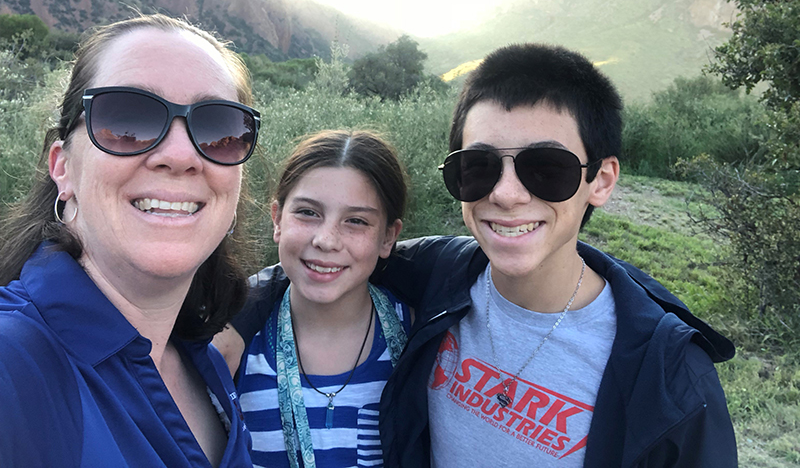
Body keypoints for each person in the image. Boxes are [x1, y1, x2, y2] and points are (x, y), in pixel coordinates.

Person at [373, 43, 738, 467]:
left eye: (546, 169)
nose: (506, 194)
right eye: (478, 166)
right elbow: (336, 261)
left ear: (600, 181)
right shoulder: (439, 273)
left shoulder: (671, 379)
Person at [0, 14, 261, 467]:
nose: (180, 156)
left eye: (219, 129)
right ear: (63, 167)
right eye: (127, 119)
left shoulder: (206, 367)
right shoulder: (14, 365)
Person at [218, 130, 410, 468]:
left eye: (356, 221)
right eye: (308, 213)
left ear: (388, 238)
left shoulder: (422, 338)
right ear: (277, 219)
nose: (326, 240)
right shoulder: (234, 351)